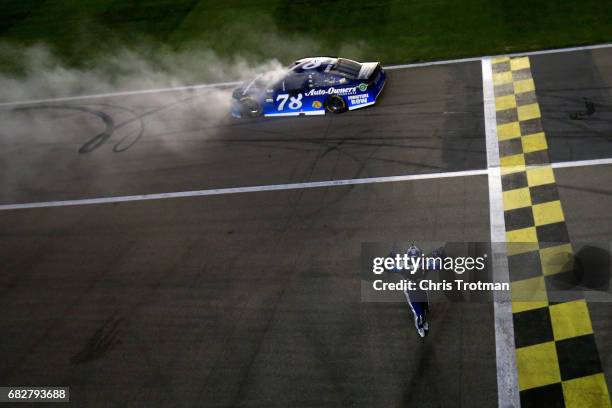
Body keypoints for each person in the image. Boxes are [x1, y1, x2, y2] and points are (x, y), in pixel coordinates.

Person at [388, 244, 443, 338]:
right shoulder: (404, 265)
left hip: (421, 289)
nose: (414, 263)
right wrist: (437, 255)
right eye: (412, 260)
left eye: (416, 259)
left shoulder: (425, 263)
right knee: (418, 314)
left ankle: (424, 321)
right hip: (411, 292)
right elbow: (389, 266)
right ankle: (420, 327)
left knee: (425, 308)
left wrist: (437, 256)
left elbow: (438, 265)